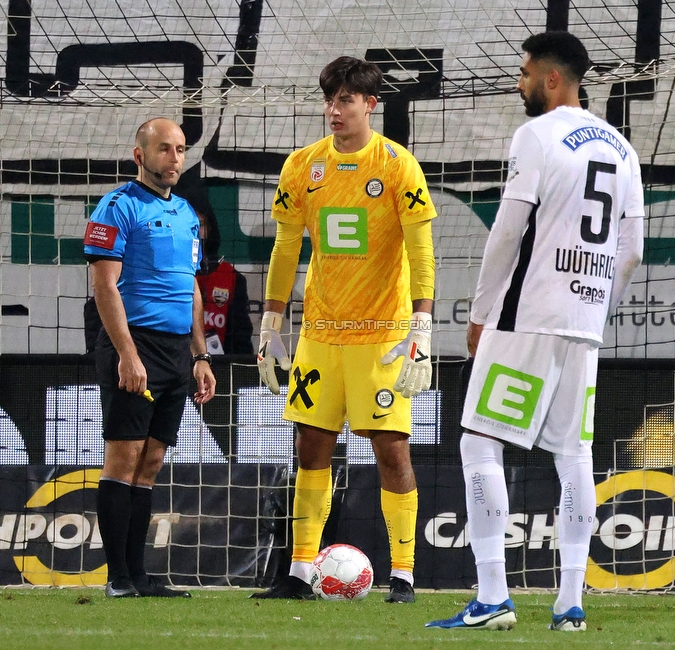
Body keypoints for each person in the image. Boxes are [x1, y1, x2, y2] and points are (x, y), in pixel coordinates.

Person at [426, 31, 644, 631]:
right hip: (584, 322)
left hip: (527, 315)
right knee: (575, 456)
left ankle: (493, 595)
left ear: (553, 79)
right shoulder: (623, 149)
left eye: (525, 74)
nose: (519, 83)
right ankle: (570, 604)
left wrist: (478, 311)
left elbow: (507, 231)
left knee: (479, 440)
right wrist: (597, 307)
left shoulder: (536, 135)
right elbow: (632, 250)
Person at [251, 56, 437, 604]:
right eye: (330, 100)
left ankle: (402, 575)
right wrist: (271, 321)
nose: (334, 110)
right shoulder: (302, 166)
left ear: (369, 105)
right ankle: (301, 572)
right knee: (311, 445)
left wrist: (421, 327)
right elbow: (286, 247)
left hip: (382, 333)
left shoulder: (399, 166)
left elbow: (422, 251)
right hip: (321, 333)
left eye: (346, 101)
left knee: (391, 450)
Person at [83, 117, 217, 599]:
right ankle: (117, 577)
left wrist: (201, 355)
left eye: (180, 150)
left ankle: (139, 575)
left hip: (176, 350)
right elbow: (103, 285)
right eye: (164, 149)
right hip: (133, 343)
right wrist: (126, 354)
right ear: (139, 155)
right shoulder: (116, 207)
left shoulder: (186, 213)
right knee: (125, 457)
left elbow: (191, 288)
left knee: (153, 460)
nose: (174, 158)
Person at [183, 187, 255, 355]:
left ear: (210, 228)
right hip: (175, 366)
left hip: (218, 368)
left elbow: (240, 338)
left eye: (200, 225)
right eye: (189, 225)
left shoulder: (231, 277)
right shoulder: (163, 273)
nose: (195, 231)